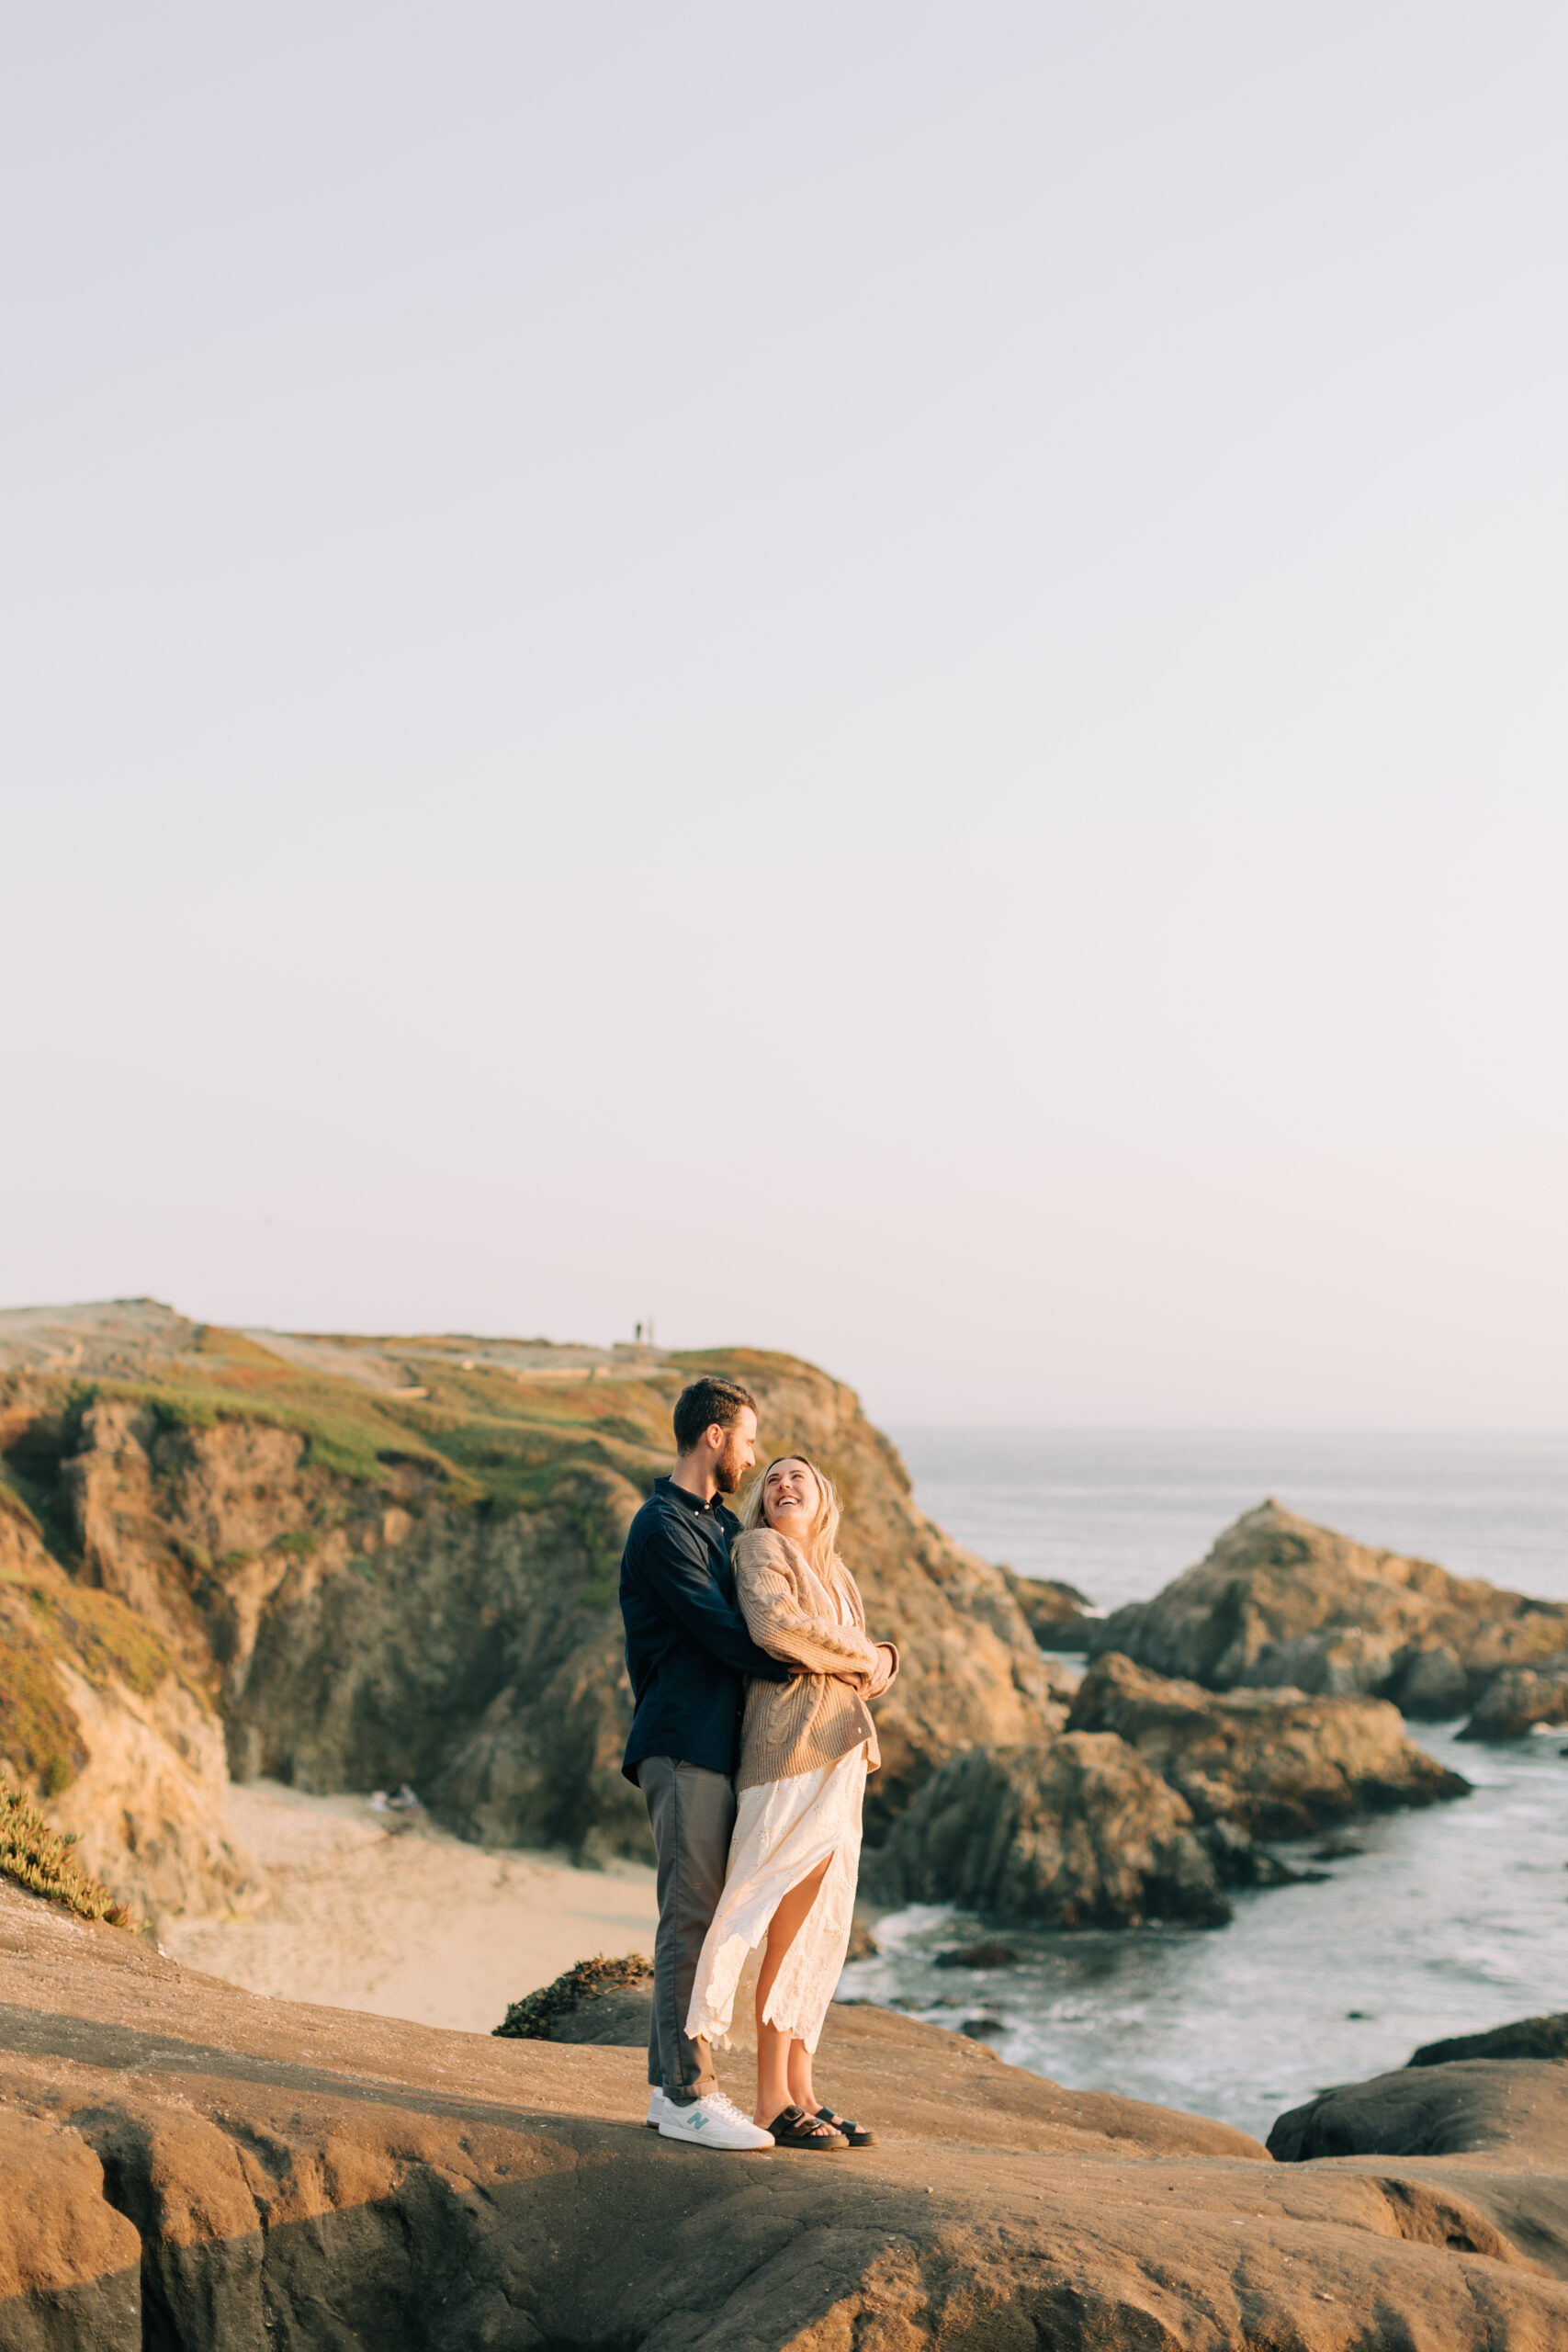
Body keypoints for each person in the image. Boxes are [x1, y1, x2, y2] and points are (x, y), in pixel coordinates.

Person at [684, 1453, 898, 2150]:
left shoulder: (835, 1572)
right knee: (777, 1920)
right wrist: (868, 1655)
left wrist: (877, 1657)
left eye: (796, 1476)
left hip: (840, 1757)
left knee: (819, 1930)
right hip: (787, 1755)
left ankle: (801, 2088)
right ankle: (771, 2099)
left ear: (822, 1497)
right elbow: (776, 1628)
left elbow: (859, 1667)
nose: (781, 1484)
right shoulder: (759, 1547)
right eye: (772, 1477)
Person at [618, 1374, 794, 2152]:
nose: (754, 1459)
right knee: (689, 1917)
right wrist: (812, 1662)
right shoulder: (661, 1527)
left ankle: (667, 2091)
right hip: (681, 1747)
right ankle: (690, 2094)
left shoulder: (718, 1527)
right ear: (715, 1438)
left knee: (705, 1915)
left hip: (715, 1752)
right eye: (749, 1441)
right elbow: (727, 1632)